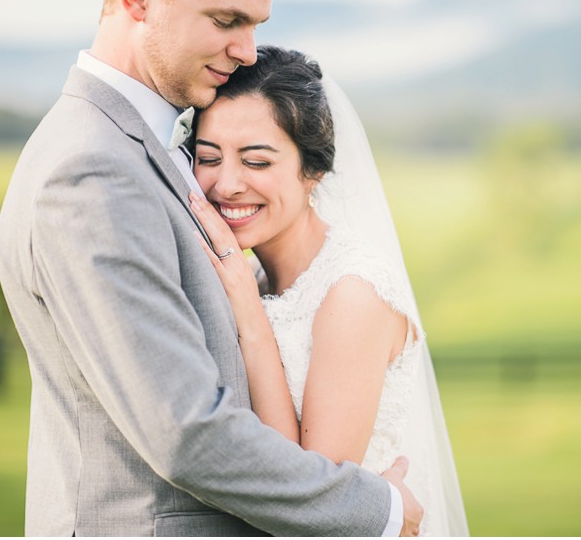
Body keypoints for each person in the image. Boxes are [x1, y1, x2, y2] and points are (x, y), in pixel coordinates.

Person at [0, 0, 423, 536]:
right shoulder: (93, 169)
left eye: (254, 25)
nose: (246, 50)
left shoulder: (125, 145)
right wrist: (380, 509)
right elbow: (185, 431)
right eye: (227, 21)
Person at [185, 45, 469, 536]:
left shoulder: (352, 293)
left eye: (256, 162)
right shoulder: (251, 278)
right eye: (208, 158)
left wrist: (250, 318)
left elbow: (313, 503)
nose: (226, 184)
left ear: (312, 171)